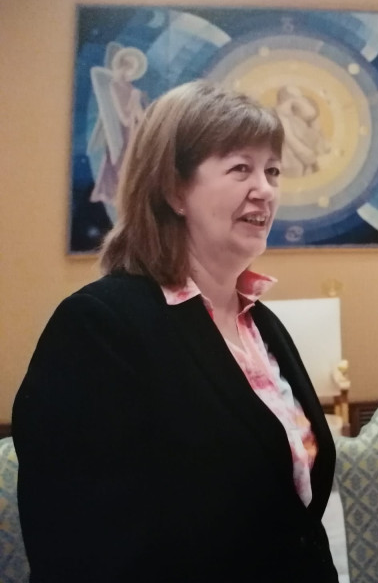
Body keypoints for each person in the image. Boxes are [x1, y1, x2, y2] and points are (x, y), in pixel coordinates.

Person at [13, 80, 338, 582]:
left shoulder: (262, 323)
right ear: (173, 190)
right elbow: (77, 549)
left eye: (272, 170)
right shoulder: (98, 328)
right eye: (240, 168)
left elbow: (291, 514)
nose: (266, 189)